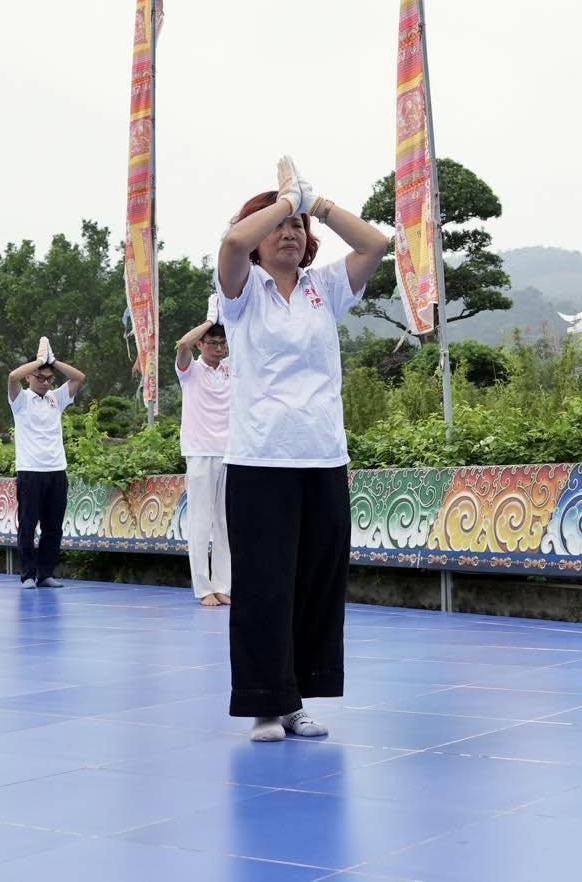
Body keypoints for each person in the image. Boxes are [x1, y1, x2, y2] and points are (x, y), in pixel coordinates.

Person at [215, 156, 389, 742]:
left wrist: (317, 204)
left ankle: (296, 702)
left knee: (314, 584)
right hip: (260, 460)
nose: (289, 232)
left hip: (323, 459)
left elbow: (376, 244)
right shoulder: (242, 292)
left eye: (297, 227)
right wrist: (287, 199)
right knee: (264, 585)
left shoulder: (325, 287)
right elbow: (233, 243)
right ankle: (265, 705)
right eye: (278, 226)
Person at [6, 339, 85, 589]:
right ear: (30, 376)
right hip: (30, 470)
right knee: (28, 525)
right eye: (40, 377)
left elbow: (79, 378)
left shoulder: (56, 398)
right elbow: (12, 377)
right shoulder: (21, 399)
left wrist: (53, 361)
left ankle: (45, 573)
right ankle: (28, 574)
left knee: (53, 526)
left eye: (50, 378)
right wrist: (40, 361)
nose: (46, 382)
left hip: (56, 470)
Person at [176, 296, 232, 606]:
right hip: (199, 452)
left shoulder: (231, 369)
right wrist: (211, 320)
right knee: (200, 522)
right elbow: (182, 344)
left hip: (230, 452)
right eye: (212, 342)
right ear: (202, 344)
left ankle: (223, 584)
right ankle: (203, 587)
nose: (218, 348)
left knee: (225, 522)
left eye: (222, 343)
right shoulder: (191, 371)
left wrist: (225, 317)